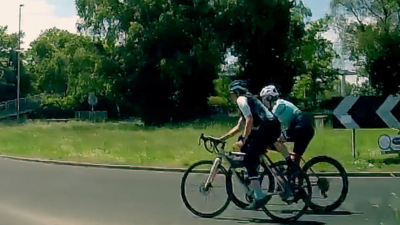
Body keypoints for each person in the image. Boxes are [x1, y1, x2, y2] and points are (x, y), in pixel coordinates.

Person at [214, 80, 282, 209]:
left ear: (236, 92)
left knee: (250, 159)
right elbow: (239, 126)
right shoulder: (248, 100)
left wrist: (243, 139)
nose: (231, 97)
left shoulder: (241, 100)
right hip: (271, 126)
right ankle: (254, 176)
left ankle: (259, 196)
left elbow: (249, 120)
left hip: (267, 129)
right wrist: (221, 139)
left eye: (231, 93)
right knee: (248, 151)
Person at [259, 85, 315, 165]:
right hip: (305, 128)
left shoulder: (279, 105)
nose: (263, 102)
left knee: (277, 141)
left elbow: (269, 122)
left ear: (269, 98)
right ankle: (296, 175)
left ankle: (288, 163)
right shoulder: (280, 104)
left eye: (264, 99)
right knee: (295, 159)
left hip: (300, 127)